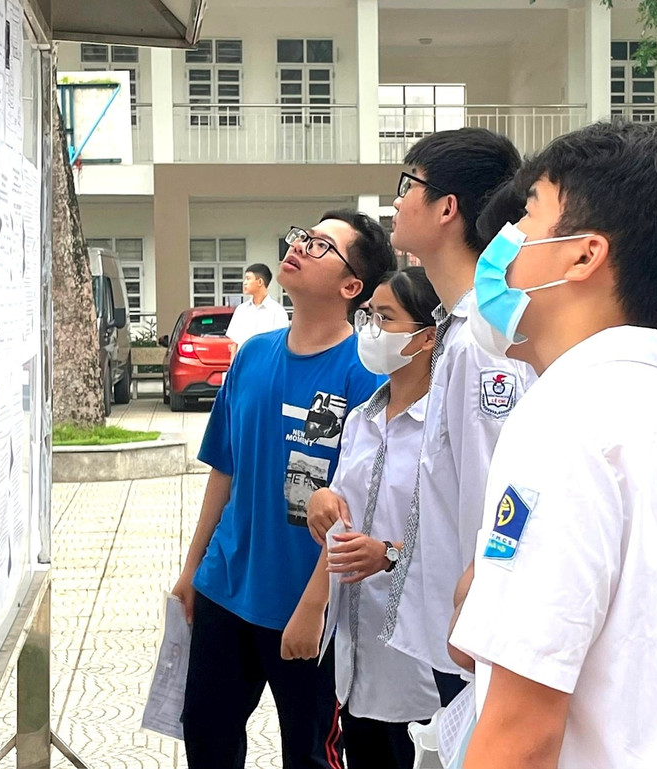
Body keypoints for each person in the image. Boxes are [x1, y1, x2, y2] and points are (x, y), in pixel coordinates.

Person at [448, 119, 657, 769]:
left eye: (529, 214)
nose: (505, 244)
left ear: (584, 255)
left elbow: (522, 731)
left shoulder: (566, 424)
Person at [172, 211, 395, 769]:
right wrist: (192, 570)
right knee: (206, 736)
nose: (299, 247)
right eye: (303, 237)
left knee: (310, 754)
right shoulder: (252, 354)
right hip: (225, 587)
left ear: (352, 287)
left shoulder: (365, 375)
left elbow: (361, 506)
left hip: (309, 607)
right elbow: (223, 472)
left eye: (321, 246)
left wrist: (314, 606)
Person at [377, 127, 532, 707]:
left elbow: (497, 493)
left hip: (477, 633)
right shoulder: (456, 329)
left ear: (447, 208)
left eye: (408, 185)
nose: (396, 201)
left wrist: (481, 608)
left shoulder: (481, 343)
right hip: (454, 623)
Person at [295, 268, 442, 769]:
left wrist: (391, 555)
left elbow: (460, 536)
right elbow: (343, 505)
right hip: (356, 660)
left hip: (417, 671)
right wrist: (322, 500)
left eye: (386, 318)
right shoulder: (362, 419)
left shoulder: (444, 429)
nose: (371, 330)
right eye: (368, 316)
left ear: (428, 337)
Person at [226, 262, 290, 346]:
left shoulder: (277, 311)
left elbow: (281, 343)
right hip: (245, 355)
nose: (244, 283)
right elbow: (234, 344)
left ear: (260, 282)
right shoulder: (241, 310)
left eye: (248, 279)